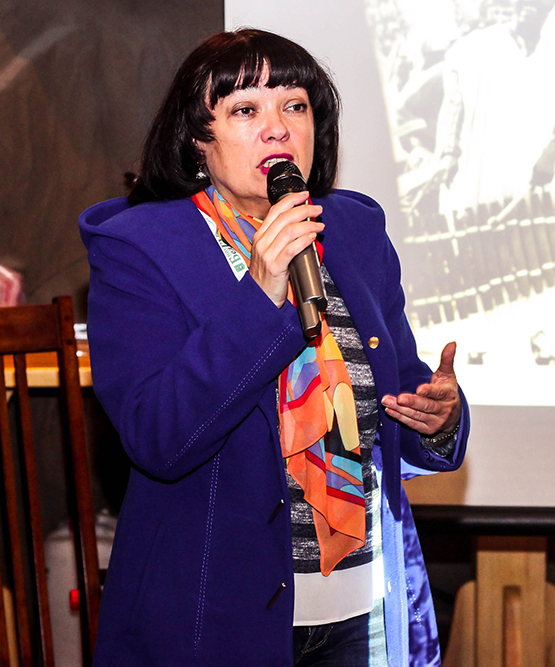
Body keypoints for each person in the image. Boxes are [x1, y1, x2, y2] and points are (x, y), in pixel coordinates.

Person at [79, 29, 469, 667]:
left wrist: (438, 415)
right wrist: (262, 294)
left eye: (295, 105)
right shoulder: (141, 247)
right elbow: (158, 437)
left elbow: (397, 389)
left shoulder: (354, 230)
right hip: (216, 620)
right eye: (245, 110)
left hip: (361, 606)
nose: (278, 128)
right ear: (198, 140)